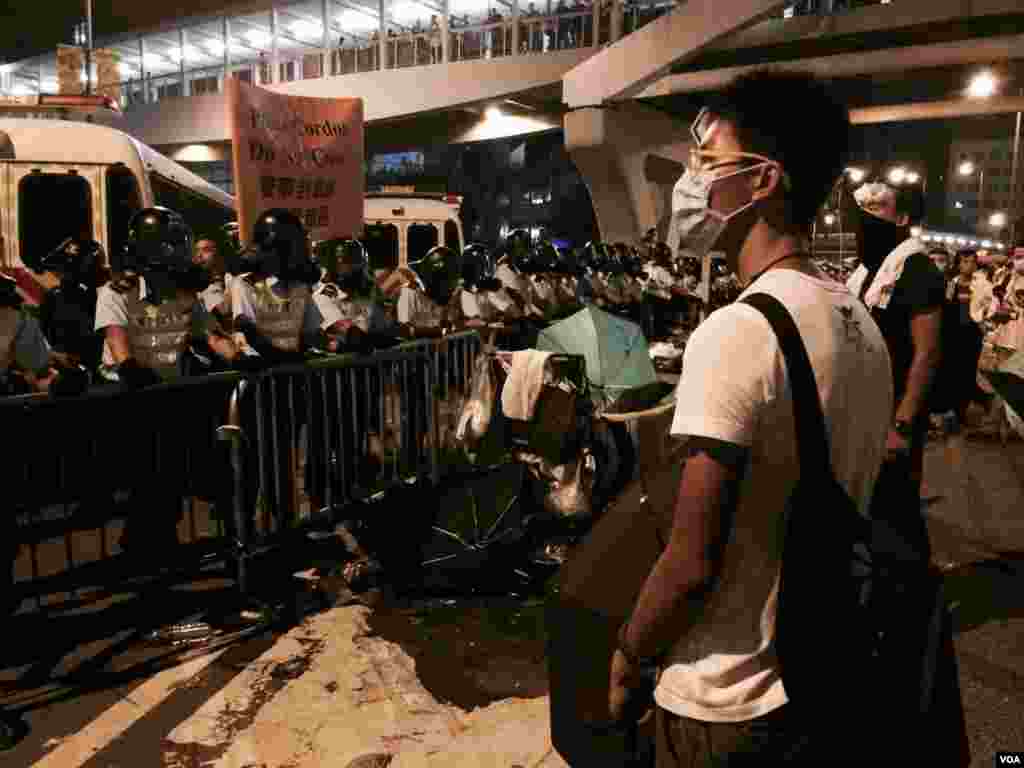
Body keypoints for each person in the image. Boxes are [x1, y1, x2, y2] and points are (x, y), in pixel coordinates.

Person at [612, 70, 893, 765]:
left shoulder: (740, 332)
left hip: (727, 698)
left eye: (708, 162)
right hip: (824, 673)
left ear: (762, 180)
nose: (693, 180)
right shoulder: (855, 318)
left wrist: (628, 653)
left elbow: (692, 560)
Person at [845, 176, 943, 527]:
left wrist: (901, 424)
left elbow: (928, 353)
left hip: (894, 416)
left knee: (895, 515)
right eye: (864, 208)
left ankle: (909, 579)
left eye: (877, 208)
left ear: (902, 218)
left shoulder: (918, 269)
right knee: (867, 510)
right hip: (864, 410)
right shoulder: (866, 272)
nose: (867, 217)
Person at [37, 237, 104, 378]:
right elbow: (45, 331)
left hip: (86, 366)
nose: (64, 273)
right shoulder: (53, 296)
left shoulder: (99, 296)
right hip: (64, 365)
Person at [944, 248, 993, 430]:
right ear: (957, 264)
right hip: (953, 334)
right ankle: (971, 402)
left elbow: (991, 307)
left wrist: (984, 323)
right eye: (964, 261)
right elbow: (947, 306)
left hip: (972, 334)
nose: (968, 265)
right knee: (954, 372)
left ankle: (961, 411)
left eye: (972, 261)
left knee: (967, 372)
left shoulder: (983, 284)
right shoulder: (952, 284)